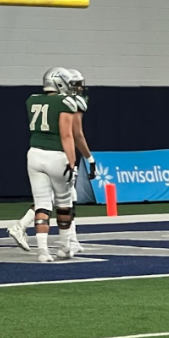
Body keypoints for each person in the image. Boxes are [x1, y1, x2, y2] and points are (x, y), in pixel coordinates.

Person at [24, 68, 78, 263]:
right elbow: (66, 135)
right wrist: (73, 162)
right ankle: (64, 247)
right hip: (56, 154)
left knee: (42, 204)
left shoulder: (32, 100)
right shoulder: (65, 102)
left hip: (34, 154)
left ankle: (42, 251)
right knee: (64, 203)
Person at [65, 68, 96, 255]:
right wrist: (89, 158)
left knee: (56, 199)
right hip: (61, 154)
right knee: (65, 198)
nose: (80, 88)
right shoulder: (74, 103)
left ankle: (71, 238)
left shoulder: (45, 100)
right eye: (76, 84)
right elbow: (76, 134)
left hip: (39, 151)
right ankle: (68, 241)